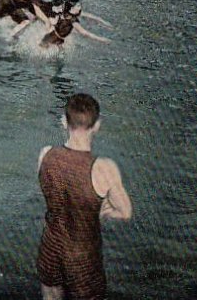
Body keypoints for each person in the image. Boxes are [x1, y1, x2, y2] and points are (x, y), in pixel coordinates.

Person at [37, 93, 132, 300]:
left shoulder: (45, 154)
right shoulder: (104, 168)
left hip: (51, 246)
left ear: (64, 122)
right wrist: (104, 211)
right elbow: (125, 212)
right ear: (97, 125)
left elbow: (54, 192)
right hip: (83, 257)